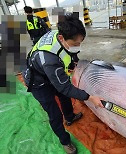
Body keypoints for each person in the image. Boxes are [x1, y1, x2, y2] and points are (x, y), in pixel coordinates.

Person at [23, 14, 104, 154]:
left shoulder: (61, 34)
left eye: (80, 43)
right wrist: (90, 97)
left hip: (48, 73)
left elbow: (69, 52)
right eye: (75, 44)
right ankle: (65, 141)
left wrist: (74, 60)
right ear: (62, 38)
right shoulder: (49, 60)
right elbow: (65, 87)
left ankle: (70, 117)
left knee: (64, 97)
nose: (78, 47)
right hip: (38, 83)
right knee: (54, 113)